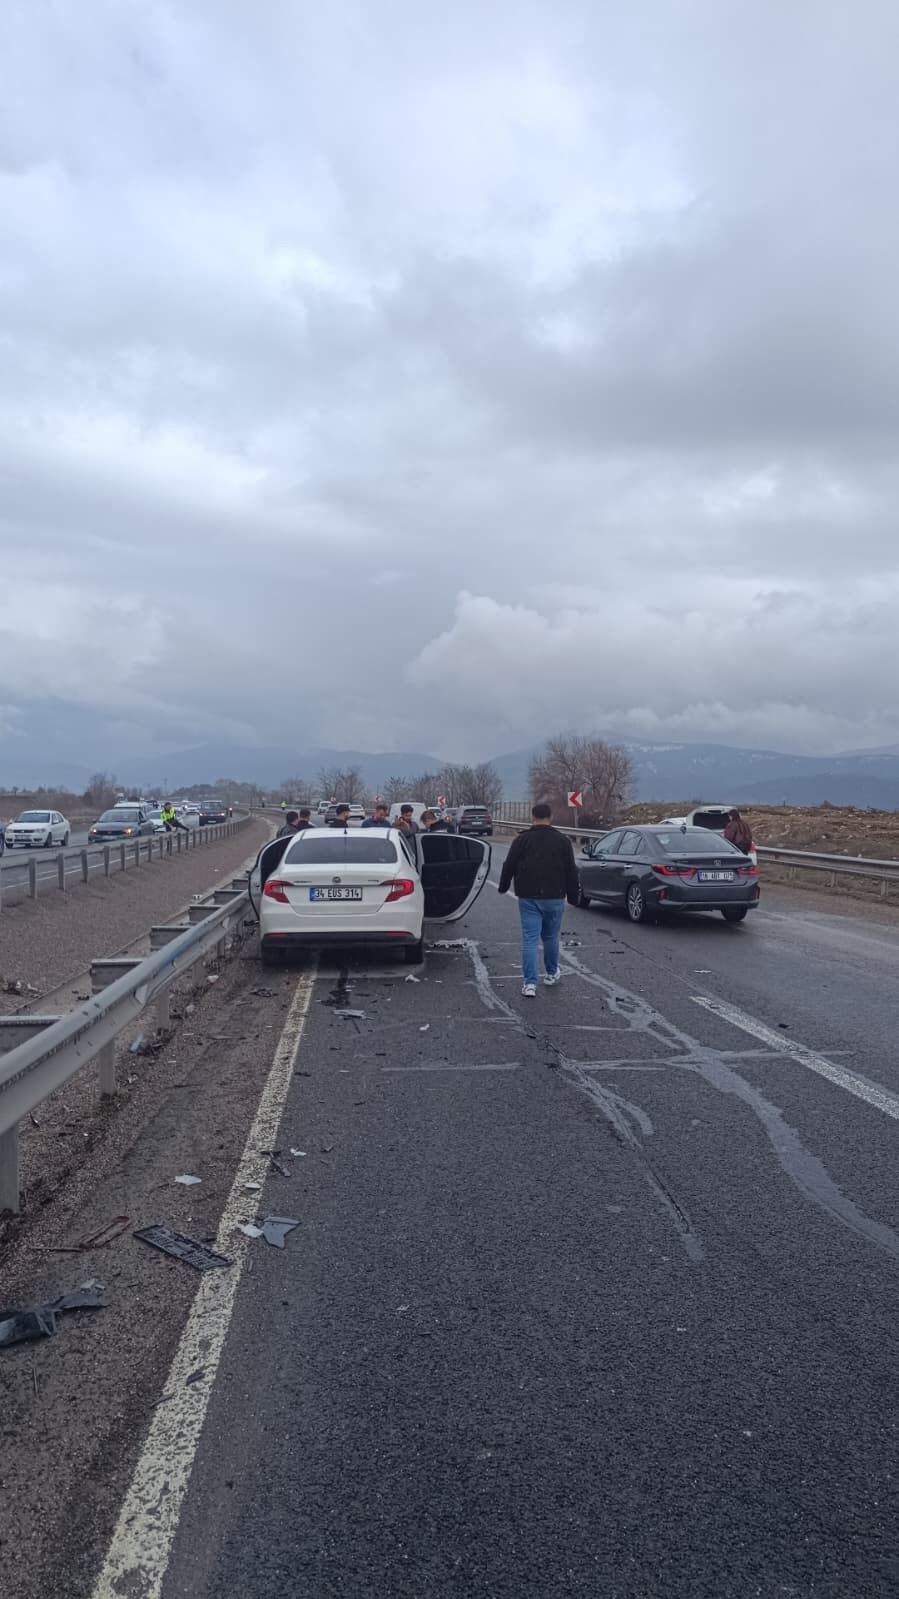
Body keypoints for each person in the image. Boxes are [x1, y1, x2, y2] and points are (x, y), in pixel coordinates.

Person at [498, 802, 580, 997]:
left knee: (530, 939)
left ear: (532, 817)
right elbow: (571, 870)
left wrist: (503, 886)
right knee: (551, 936)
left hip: (528, 896)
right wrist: (573, 896)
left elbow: (509, 865)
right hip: (555, 896)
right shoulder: (562, 841)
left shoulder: (521, 840)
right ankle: (551, 974)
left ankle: (529, 984)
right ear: (550, 817)